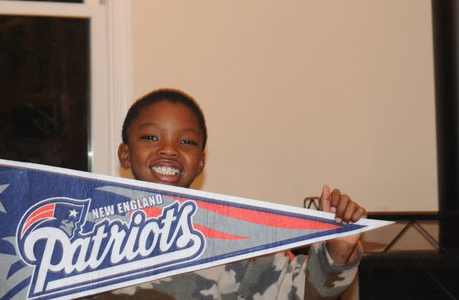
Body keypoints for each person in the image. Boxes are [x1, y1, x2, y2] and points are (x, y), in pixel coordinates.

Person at [99, 88, 366, 299]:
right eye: (151, 137)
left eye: (187, 141)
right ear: (125, 154)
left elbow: (297, 292)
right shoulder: (89, 231)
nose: (169, 149)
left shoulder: (235, 236)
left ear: (200, 162)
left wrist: (337, 250)